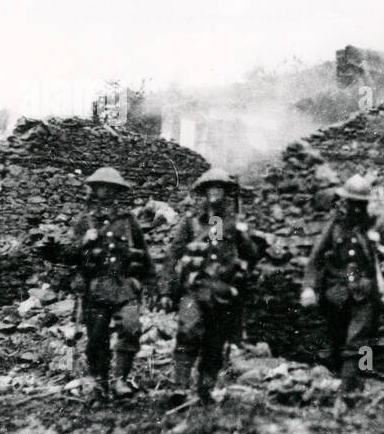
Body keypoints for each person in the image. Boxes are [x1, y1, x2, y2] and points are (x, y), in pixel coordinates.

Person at [301, 173, 384, 410]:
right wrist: (308, 288)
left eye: (360, 204)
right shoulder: (335, 226)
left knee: (357, 341)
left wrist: (382, 248)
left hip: (365, 293)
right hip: (336, 293)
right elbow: (314, 259)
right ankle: (356, 381)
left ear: (366, 204)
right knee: (341, 343)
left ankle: (344, 396)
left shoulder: (377, 226)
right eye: (351, 203)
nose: (355, 209)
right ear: (345, 202)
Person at [162, 167, 261, 407]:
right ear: (204, 194)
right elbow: (172, 255)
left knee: (215, 342)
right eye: (210, 189)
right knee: (188, 332)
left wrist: (244, 238)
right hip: (194, 290)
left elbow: (252, 254)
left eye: (220, 189)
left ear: (226, 194)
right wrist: (167, 289)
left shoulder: (234, 224)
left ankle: (205, 388)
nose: (215, 193)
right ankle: (179, 387)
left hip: (223, 293)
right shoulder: (191, 223)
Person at [66, 167, 152, 401]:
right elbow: (69, 255)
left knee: (131, 327)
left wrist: (148, 282)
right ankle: (99, 380)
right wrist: (85, 240)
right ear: (94, 190)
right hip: (97, 286)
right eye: (102, 187)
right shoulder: (85, 220)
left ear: (117, 192)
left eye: (111, 188)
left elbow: (143, 253)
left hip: (124, 284)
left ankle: (120, 379)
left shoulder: (127, 219)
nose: (106, 192)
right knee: (97, 336)